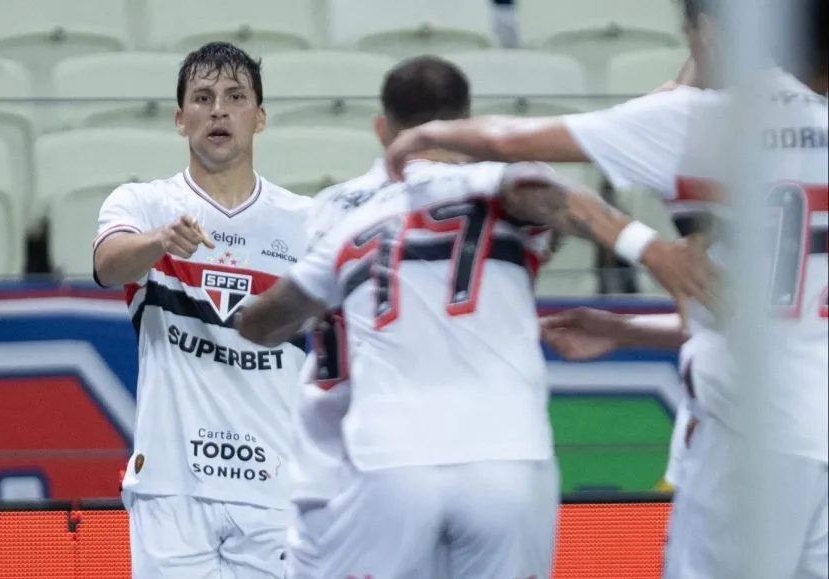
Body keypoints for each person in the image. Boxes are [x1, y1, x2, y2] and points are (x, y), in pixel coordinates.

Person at [383, 0, 829, 576]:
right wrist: (622, 328)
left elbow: (514, 141)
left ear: (712, 36)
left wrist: (423, 135)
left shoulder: (698, 124)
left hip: (746, 435)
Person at [233, 68, 712, 579]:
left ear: (385, 131)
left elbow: (263, 322)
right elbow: (549, 196)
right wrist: (649, 249)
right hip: (504, 454)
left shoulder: (345, 220)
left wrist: (251, 313)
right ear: (466, 123)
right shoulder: (492, 181)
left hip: (387, 459)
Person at [93, 41, 312, 578]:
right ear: (179, 118)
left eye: (236, 97)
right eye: (203, 97)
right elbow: (107, 266)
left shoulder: (307, 222)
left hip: (277, 486)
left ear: (259, 119)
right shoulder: (142, 204)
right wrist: (159, 243)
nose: (219, 109)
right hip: (171, 486)